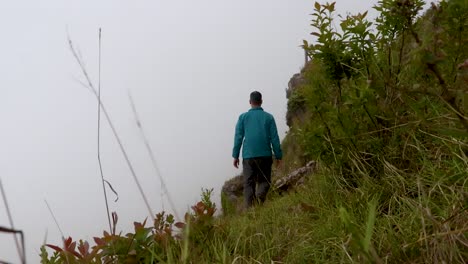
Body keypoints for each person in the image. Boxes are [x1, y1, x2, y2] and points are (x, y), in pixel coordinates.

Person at [232, 91, 283, 208]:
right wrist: (278, 156)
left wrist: (235, 156)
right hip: (265, 155)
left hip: (248, 156)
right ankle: (260, 200)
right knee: (264, 181)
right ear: (261, 101)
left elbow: (238, 137)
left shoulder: (243, 117)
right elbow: (275, 138)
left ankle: (250, 209)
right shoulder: (269, 117)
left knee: (248, 183)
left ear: (250, 102)